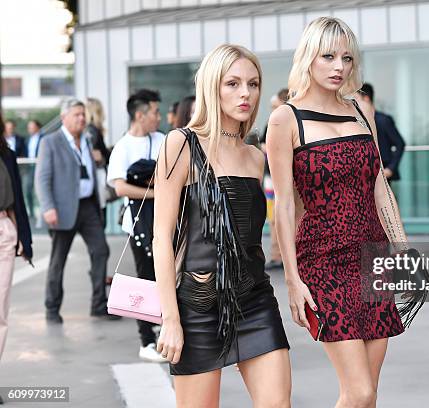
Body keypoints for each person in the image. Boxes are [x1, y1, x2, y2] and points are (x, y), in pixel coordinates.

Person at [267, 17, 425, 408]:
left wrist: (403, 250)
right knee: (359, 392)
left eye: (347, 58)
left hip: (373, 258)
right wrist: (292, 280)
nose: (339, 66)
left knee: (368, 393)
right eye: (328, 56)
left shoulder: (360, 111)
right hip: (322, 261)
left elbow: (379, 188)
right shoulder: (285, 119)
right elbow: (284, 206)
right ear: (308, 58)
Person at [153, 44, 291, 407]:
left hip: (255, 299)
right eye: (232, 83)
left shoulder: (255, 156)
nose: (245, 93)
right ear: (212, 87)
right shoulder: (180, 144)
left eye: (253, 83)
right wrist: (170, 319)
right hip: (198, 304)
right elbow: (161, 238)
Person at [35, 99, 119, 324]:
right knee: (58, 261)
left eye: (83, 114)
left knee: (101, 250)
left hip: (88, 206)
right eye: (76, 115)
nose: (82, 118)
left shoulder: (88, 139)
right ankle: (52, 308)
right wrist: (48, 207)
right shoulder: (50, 142)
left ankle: (99, 305)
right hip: (62, 210)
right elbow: (42, 178)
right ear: (64, 118)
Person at [107, 89, 166, 362]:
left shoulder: (163, 139)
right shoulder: (123, 147)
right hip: (139, 224)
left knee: (168, 276)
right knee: (145, 279)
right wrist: (157, 192)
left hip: (167, 220)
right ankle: (147, 341)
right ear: (140, 115)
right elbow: (120, 188)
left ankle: (166, 329)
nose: (159, 116)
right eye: (155, 111)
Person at [0, 113, 33, 368]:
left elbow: (16, 199)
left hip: (3, 231)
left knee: (0, 310)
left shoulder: (6, 154)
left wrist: (21, 235)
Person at [260, 88, 289, 271]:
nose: (273, 110)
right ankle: (277, 255)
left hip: (285, 179)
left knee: (284, 215)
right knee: (273, 217)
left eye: (275, 106)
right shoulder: (271, 123)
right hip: (270, 177)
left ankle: (284, 257)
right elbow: (263, 143)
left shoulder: (289, 123)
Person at [358, 83, 406, 183]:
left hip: (383, 173)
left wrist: (390, 169)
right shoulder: (357, 121)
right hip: (363, 175)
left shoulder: (383, 120)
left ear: (366, 99)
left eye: (356, 99)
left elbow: (400, 143)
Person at [85, 98, 112, 227]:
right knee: (100, 215)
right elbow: (97, 155)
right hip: (98, 174)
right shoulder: (92, 131)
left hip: (97, 174)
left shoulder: (90, 130)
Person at [23, 120, 45, 218]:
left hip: (40, 167)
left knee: (40, 190)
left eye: (32, 127)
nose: (29, 129)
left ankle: (43, 213)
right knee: (28, 190)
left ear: (38, 127)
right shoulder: (27, 139)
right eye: (29, 127)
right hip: (29, 167)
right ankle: (31, 213)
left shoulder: (44, 138)